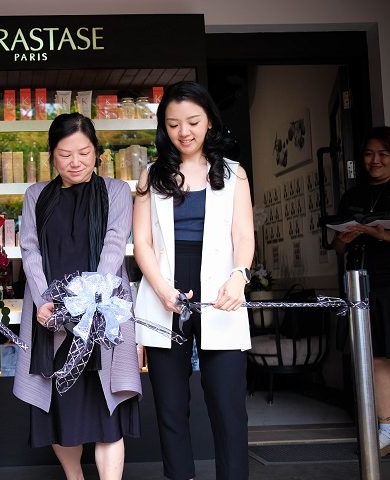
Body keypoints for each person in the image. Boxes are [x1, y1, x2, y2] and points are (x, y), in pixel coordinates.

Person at [133, 81, 254, 480]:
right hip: (166, 288)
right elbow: (142, 242)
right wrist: (161, 288)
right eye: (173, 124)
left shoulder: (234, 174)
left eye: (193, 122)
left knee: (227, 403)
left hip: (222, 290)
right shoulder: (151, 175)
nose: (183, 132)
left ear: (209, 122)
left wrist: (239, 277)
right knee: (170, 405)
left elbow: (244, 236)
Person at [13, 112, 142, 480]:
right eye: (65, 154)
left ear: (96, 151)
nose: (75, 162)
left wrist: (89, 301)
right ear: (51, 155)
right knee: (60, 407)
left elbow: (114, 245)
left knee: (108, 409)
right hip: (51, 313)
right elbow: (30, 249)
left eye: (84, 153)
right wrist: (45, 302)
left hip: (102, 311)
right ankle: (75, 477)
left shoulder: (116, 190)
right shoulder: (36, 195)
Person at [332, 126, 390, 457]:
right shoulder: (353, 196)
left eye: (383, 154)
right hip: (364, 283)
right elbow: (337, 247)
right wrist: (345, 239)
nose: (375, 160)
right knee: (375, 355)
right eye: (369, 154)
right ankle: (386, 428)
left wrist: (381, 235)